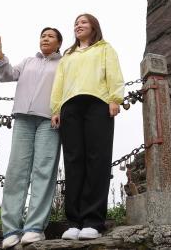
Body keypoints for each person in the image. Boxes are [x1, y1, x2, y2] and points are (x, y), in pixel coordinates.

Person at [50, 14, 124, 240]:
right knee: (73, 160)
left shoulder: (105, 48)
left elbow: (114, 73)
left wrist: (115, 98)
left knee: (97, 159)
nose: (78, 26)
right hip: (70, 106)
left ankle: (93, 220)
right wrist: (56, 109)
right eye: (75, 23)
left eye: (83, 22)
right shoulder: (68, 55)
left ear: (94, 27)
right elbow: (59, 82)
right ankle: (73, 221)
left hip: (98, 103)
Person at [0, 28, 63, 249]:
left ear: (59, 43)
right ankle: (11, 229)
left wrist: (60, 110)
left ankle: (34, 227)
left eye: (50, 36)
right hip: (23, 118)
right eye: (43, 36)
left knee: (43, 170)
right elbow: (7, 75)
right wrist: (0, 56)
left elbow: (67, 89)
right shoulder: (28, 61)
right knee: (16, 171)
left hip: (49, 120)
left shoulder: (64, 64)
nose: (45, 39)